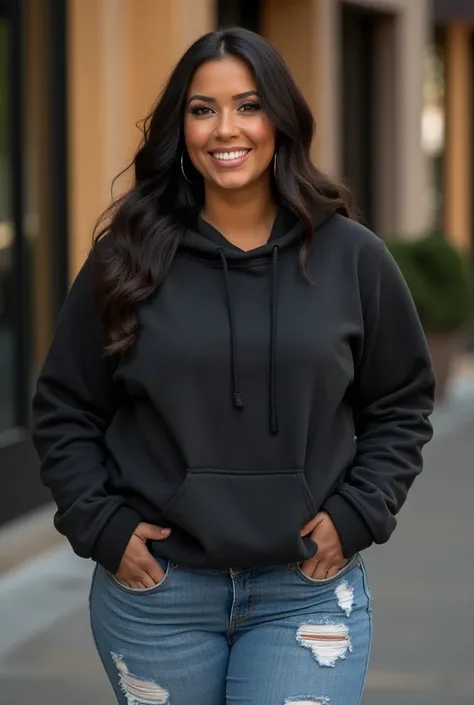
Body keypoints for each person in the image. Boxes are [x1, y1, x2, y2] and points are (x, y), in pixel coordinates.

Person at [32, 26, 435, 705]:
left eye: (248, 105)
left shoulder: (351, 257)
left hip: (303, 592)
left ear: (280, 119)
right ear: (180, 128)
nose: (227, 128)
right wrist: (103, 526)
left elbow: (401, 400)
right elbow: (64, 407)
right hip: (158, 596)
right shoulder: (127, 257)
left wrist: (359, 511)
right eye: (202, 108)